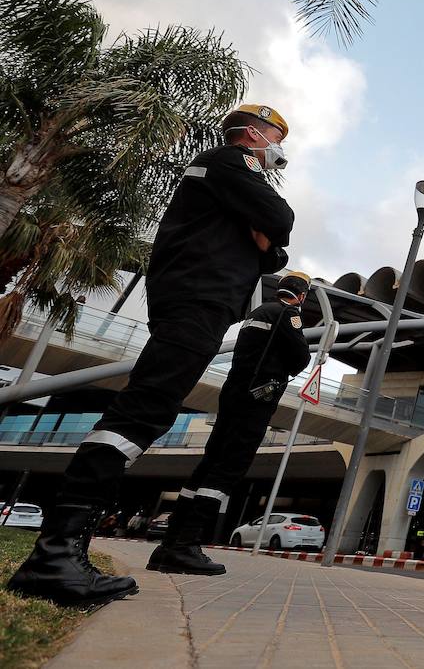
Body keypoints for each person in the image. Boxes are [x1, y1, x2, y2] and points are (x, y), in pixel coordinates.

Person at [8, 104, 296, 607]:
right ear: (253, 134)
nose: (279, 146)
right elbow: (280, 220)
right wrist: (266, 230)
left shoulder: (232, 180)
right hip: (198, 296)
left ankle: (63, 548)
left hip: (204, 300)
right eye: (275, 135)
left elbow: (275, 252)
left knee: (153, 406)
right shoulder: (230, 162)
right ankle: (55, 554)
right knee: (146, 407)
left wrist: (266, 239)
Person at [146, 271, 313, 575]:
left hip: (233, 392)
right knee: (229, 467)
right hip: (257, 398)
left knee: (209, 463)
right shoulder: (288, 314)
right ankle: (186, 544)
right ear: (301, 296)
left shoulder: (257, 313)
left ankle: (169, 544)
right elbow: (301, 358)